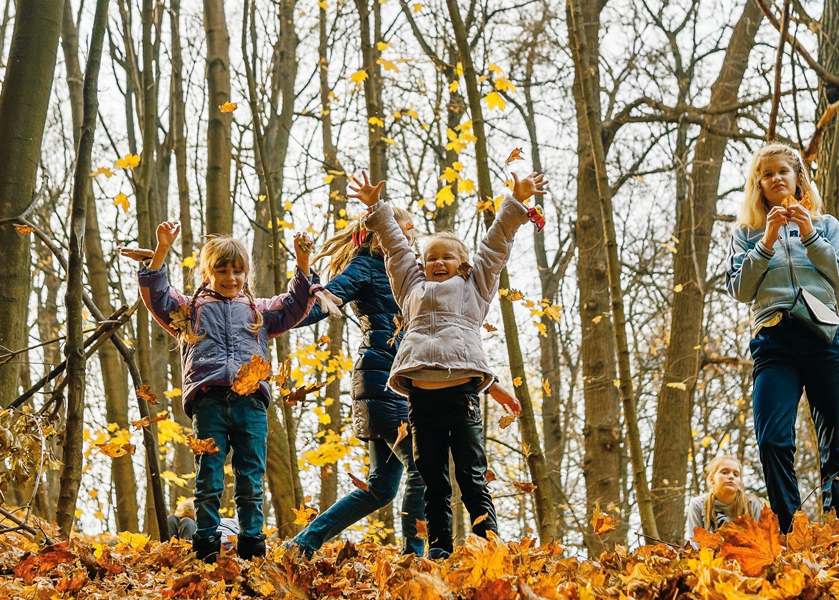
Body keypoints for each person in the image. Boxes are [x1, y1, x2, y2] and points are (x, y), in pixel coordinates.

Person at [284, 207, 522, 559]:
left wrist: (490, 382)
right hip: (388, 383)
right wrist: (298, 284)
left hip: (395, 380)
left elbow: (446, 338)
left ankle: (303, 543)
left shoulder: (419, 279)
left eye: (411, 228)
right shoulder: (370, 267)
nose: (411, 234)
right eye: (404, 228)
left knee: (380, 487)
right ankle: (416, 556)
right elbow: (317, 307)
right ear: (384, 233)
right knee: (423, 471)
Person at [356, 169, 542, 559]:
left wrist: (516, 203)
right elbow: (395, 249)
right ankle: (439, 548)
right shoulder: (411, 288)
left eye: (447, 257)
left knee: (471, 477)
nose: (437, 262)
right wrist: (377, 208)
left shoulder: (475, 288)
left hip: (461, 399)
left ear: (461, 264)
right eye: (431, 258)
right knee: (432, 480)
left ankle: (489, 547)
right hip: (422, 403)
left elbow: (494, 247)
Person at [130, 221, 317, 562]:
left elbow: (294, 305)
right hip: (209, 401)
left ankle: (252, 549)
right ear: (206, 272)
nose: (231, 277)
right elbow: (156, 296)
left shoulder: (258, 312)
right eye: (222, 270)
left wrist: (302, 262)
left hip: (251, 404)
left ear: (247, 274)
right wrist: (161, 249)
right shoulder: (191, 310)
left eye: (238, 271)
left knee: (250, 478)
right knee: (209, 479)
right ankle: (205, 548)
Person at [726, 142, 839, 534]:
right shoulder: (746, 233)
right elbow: (739, 288)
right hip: (774, 341)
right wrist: (766, 242)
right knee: (772, 440)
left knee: (836, 444)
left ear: (798, 177)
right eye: (766, 174)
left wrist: (811, 235)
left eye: (783, 170)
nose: (775, 178)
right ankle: (791, 531)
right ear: (759, 185)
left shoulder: (827, 224)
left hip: (824, 336)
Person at [686, 455, 763, 537]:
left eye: (736, 474)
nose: (731, 477)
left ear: (739, 484)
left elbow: (762, 540)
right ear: (711, 479)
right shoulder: (698, 505)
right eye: (724, 472)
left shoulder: (752, 504)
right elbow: (694, 542)